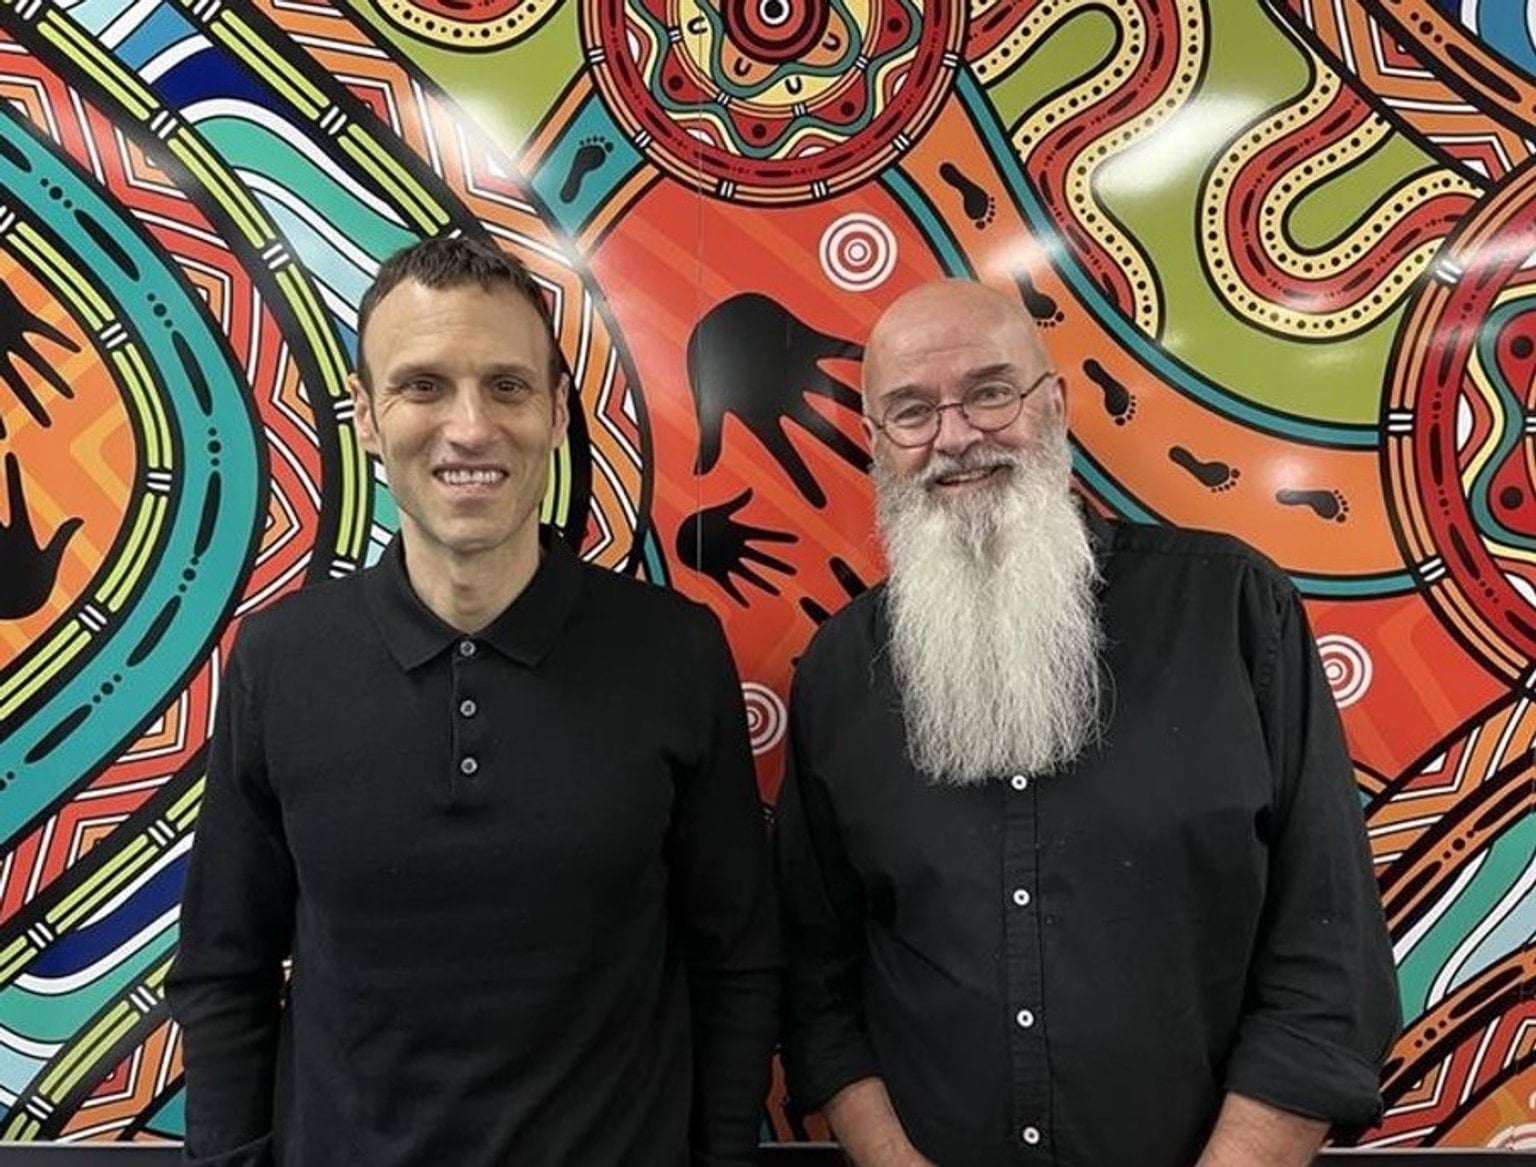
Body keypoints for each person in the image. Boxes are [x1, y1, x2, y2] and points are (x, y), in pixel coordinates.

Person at [168, 236, 779, 1167]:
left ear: (555, 410)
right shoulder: (280, 659)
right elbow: (223, 967)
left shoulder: (673, 650)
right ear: (367, 416)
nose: (468, 428)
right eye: (422, 386)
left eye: (506, 385)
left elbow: (736, 957)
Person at [776, 280, 1400, 1167]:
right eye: (911, 413)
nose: (954, 437)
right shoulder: (840, 668)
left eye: (991, 392)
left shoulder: (1231, 610)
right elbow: (817, 978)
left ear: (1056, 404)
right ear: (878, 444)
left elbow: (1328, 950)